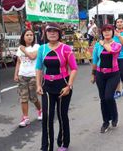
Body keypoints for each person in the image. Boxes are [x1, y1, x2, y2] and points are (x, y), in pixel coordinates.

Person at [36, 23, 78, 151]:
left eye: (55, 31)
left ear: (59, 34)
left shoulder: (66, 48)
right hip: (47, 86)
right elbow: (38, 68)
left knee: (61, 115)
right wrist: (38, 84)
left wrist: (69, 86)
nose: (52, 33)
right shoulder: (42, 49)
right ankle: (46, 147)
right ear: (46, 33)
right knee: (47, 117)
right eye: (49, 31)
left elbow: (74, 68)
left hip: (63, 85)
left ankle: (64, 143)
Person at [91, 24, 122, 133]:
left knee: (109, 96)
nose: (107, 32)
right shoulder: (97, 46)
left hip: (113, 74)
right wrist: (93, 74)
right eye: (104, 31)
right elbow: (95, 60)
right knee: (103, 99)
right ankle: (105, 121)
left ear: (112, 32)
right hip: (100, 74)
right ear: (102, 33)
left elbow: (111, 51)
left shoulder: (117, 45)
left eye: (109, 30)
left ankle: (114, 116)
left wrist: (103, 43)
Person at [14, 29, 42, 128]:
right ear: (23, 37)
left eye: (31, 35)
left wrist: (23, 49)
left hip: (33, 75)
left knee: (33, 97)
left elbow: (32, 57)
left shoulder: (37, 47)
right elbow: (18, 62)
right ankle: (25, 118)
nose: (30, 36)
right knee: (23, 97)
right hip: (22, 75)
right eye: (27, 35)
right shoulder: (20, 48)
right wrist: (16, 74)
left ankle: (40, 110)